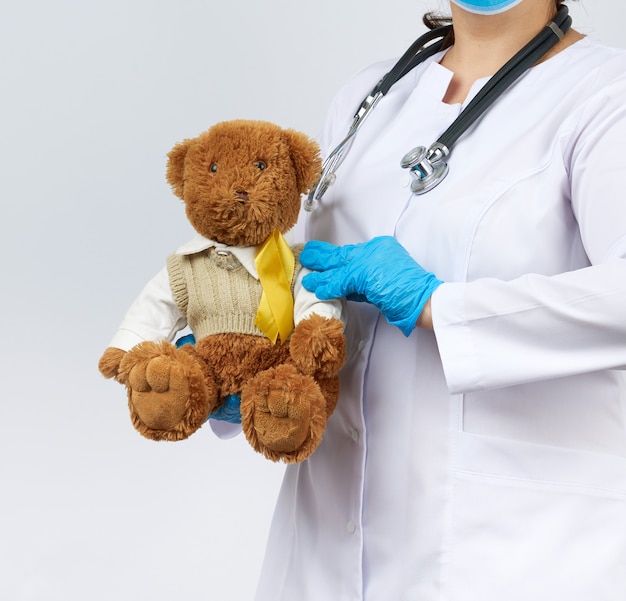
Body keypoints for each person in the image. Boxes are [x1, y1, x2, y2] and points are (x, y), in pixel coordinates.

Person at [253, 1, 626, 599]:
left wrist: (437, 306)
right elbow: (313, 282)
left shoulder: (607, 96)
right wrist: (247, 355)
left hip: (512, 551)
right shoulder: (369, 95)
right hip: (322, 550)